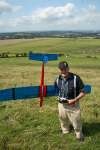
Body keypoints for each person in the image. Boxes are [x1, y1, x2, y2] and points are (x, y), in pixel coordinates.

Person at [55, 61, 86, 141]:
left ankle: (79, 134)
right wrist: (59, 98)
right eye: (62, 69)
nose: (64, 71)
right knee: (63, 118)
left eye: (65, 69)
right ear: (60, 70)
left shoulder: (76, 78)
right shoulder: (58, 79)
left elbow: (83, 92)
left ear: (68, 68)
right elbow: (57, 90)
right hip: (61, 104)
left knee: (76, 120)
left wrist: (74, 100)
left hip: (73, 104)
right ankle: (65, 131)